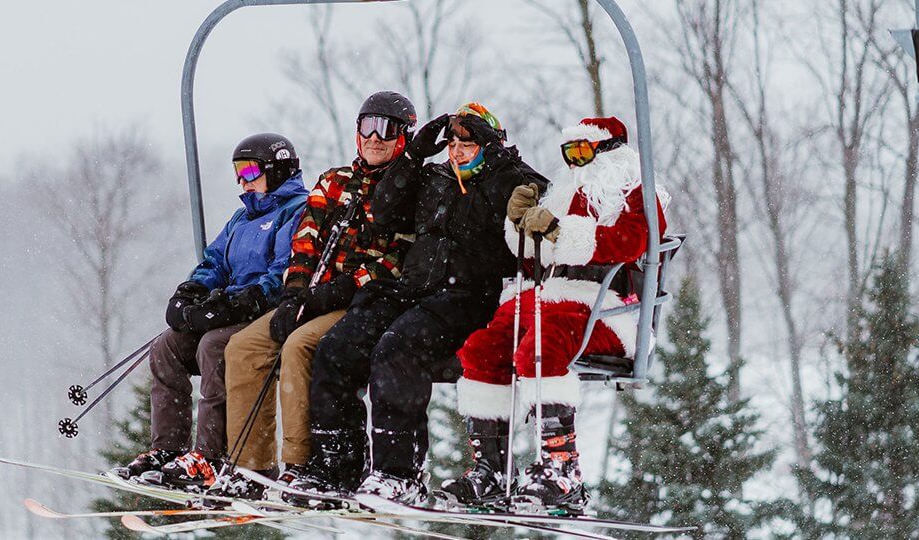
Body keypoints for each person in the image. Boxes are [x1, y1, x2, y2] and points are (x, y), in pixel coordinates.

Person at [289, 103, 549, 505]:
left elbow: (536, 188)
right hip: (413, 289)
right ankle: (336, 465)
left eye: (470, 143)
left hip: (467, 295)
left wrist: (495, 154)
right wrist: (413, 154)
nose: (458, 151)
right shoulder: (435, 179)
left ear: (491, 146)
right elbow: (384, 215)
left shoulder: (505, 180)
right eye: (454, 143)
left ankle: (398, 473)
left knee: (398, 348)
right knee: (338, 347)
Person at [440, 117, 669, 514]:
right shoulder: (562, 194)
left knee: (541, 347)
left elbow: (631, 242)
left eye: (584, 151)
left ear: (612, 151)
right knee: (481, 348)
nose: (576, 162)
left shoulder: (636, 194)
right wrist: (522, 228)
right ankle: (492, 469)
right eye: (570, 152)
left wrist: (563, 233)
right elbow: (538, 260)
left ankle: (562, 468)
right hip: (548, 297)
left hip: (607, 308)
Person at [210, 92, 417, 499]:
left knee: (299, 346)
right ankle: (251, 466)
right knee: (243, 348)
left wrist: (332, 293)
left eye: (387, 129)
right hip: (314, 295)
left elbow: (394, 260)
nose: (375, 138)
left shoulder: (406, 189)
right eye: (367, 127)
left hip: (355, 300)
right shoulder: (335, 181)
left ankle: (300, 462)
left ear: (403, 136)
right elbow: (306, 239)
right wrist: (294, 294)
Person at [111, 133, 309, 492]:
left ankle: (210, 455)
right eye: (238, 171)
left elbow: (283, 272)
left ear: (277, 169)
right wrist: (193, 291)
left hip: (264, 312)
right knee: (168, 346)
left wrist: (233, 305)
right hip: (232, 309)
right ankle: (167, 447)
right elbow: (215, 260)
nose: (242, 180)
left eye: (250, 170)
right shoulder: (242, 217)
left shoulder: (296, 211)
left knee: (213, 347)